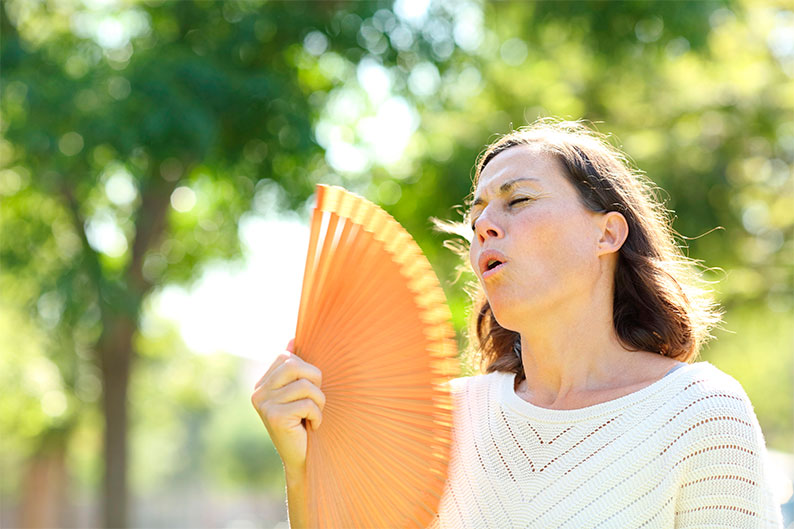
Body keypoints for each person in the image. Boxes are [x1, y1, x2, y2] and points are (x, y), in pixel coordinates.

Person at [252, 119, 784, 528]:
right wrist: (302, 467)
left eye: (519, 200)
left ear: (607, 234)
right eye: (477, 212)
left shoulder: (699, 412)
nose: (484, 224)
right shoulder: (441, 419)